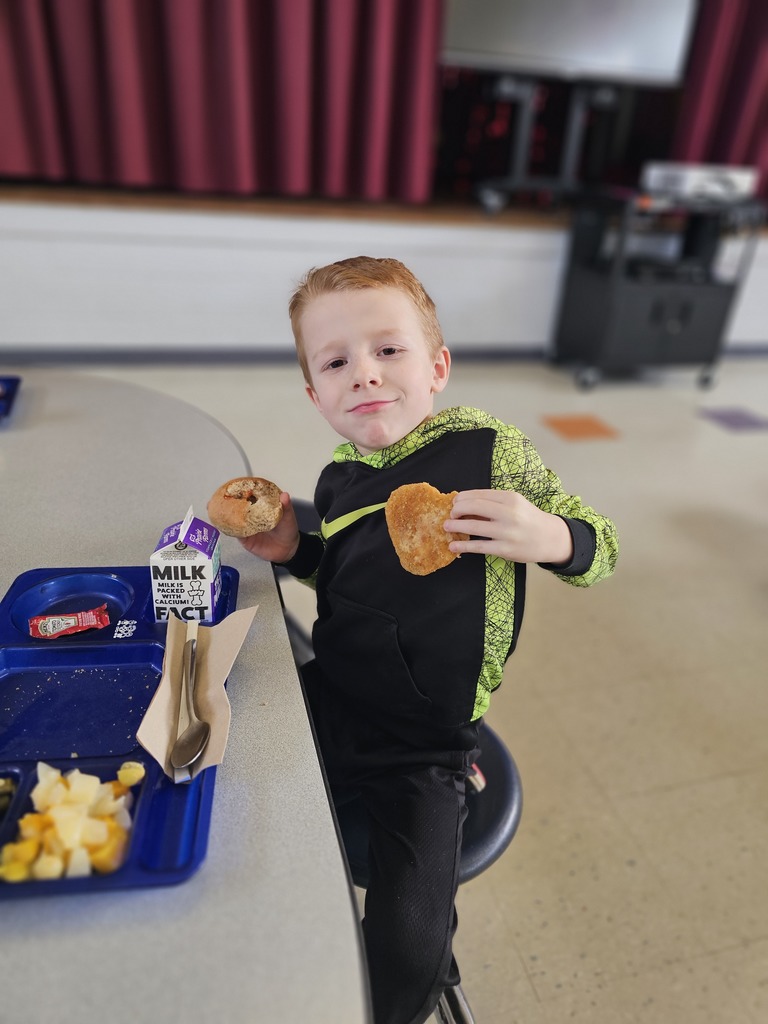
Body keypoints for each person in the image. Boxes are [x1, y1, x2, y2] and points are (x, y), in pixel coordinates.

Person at [240, 256, 618, 1024]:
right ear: (315, 394)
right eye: (337, 362)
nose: (365, 376)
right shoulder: (341, 476)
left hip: (425, 746)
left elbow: (601, 549)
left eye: (389, 350)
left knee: (408, 949)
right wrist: (294, 553)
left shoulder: (490, 449)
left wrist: (547, 535)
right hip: (334, 692)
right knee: (226, 787)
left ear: (437, 365)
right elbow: (348, 579)